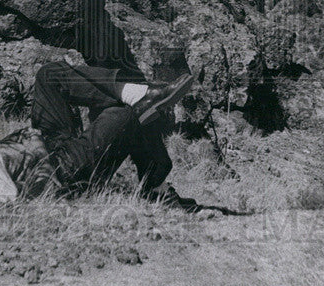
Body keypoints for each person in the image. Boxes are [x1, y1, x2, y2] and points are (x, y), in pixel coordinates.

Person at [30, 57, 200, 210]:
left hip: (47, 144)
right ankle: (156, 184)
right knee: (128, 113)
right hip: (59, 169)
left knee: (49, 74)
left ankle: (135, 93)